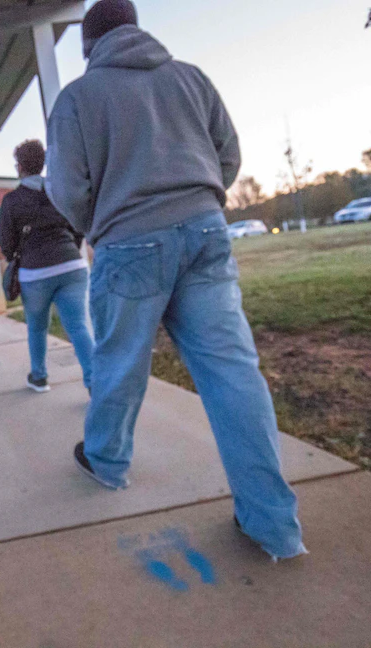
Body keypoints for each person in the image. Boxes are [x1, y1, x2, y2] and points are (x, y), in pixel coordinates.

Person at [45, 0, 305, 560]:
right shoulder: (191, 79)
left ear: (88, 46)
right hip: (207, 235)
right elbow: (228, 156)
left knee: (120, 365)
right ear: (137, 29)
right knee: (234, 373)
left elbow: (65, 189)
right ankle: (274, 527)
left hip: (128, 244)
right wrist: (199, 197)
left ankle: (108, 462)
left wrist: (101, 226)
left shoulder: (77, 99)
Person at [0, 140, 94, 393]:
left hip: (35, 272)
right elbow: (77, 226)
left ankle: (39, 377)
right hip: (73, 266)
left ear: (19, 167)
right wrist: (67, 249)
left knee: (38, 327)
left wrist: (22, 256)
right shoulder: (59, 192)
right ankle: (96, 383)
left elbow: (6, 243)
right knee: (78, 327)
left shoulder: (12, 201)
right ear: (42, 164)